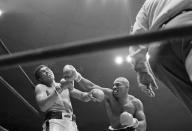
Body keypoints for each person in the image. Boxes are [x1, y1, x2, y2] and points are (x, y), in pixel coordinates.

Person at [129, 0, 192, 113]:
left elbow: (137, 36)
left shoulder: (148, 4)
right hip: (187, 26)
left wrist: (141, 71)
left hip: (158, 50)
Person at [63, 65, 147, 131]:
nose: (114, 87)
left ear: (126, 88)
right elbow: (91, 86)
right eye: (113, 85)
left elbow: (143, 126)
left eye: (117, 85)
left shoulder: (136, 103)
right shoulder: (110, 95)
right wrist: (77, 76)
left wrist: (133, 122)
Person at [34, 65, 97, 131]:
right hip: (54, 122)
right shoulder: (40, 87)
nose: (47, 71)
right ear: (40, 79)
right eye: (43, 72)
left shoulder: (64, 84)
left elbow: (81, 96)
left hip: (71, 123)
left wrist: (89, 95)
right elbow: (43, 107)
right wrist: (59, 90)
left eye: (48, 69)